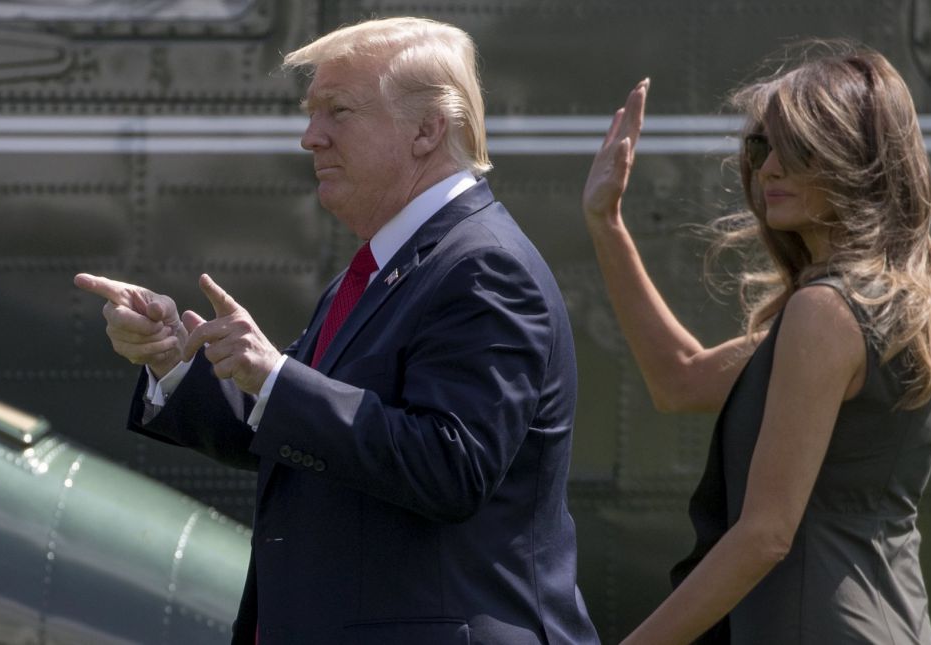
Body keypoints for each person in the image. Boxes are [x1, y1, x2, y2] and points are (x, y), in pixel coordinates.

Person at [75, 17, 599, 645]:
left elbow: (452, 467)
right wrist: (173, 360)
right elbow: (295, 434)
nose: (310, 137)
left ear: (428, 129)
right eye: (311, 112)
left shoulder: (483, 266)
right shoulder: (388, 267)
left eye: (338, 111)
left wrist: (275, 377)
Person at [582, 42, 931, 644]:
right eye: (762, 147)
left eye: (796, 150)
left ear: (856, 160)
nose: (766, 169)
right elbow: (681, 378)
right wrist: (606, 223)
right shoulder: (904, 301)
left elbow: (765, 534)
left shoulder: (824, 313)